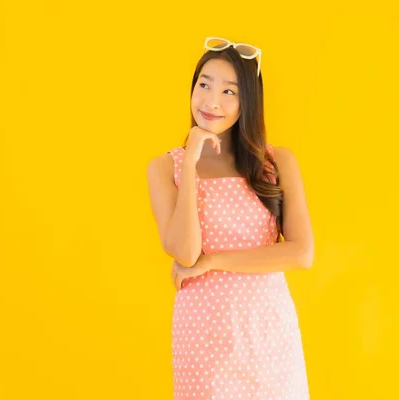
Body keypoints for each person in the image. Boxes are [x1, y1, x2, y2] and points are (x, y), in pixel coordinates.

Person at [146, 37, 314, 399]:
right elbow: (185, 254)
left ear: (248, 102)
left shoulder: (277, 162)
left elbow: (301, 253)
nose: (211, 101)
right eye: (204, 84)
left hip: (267, 329)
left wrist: (214, 262)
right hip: (203, 333)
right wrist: (190, 163)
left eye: (228, 91)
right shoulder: (166, 167)